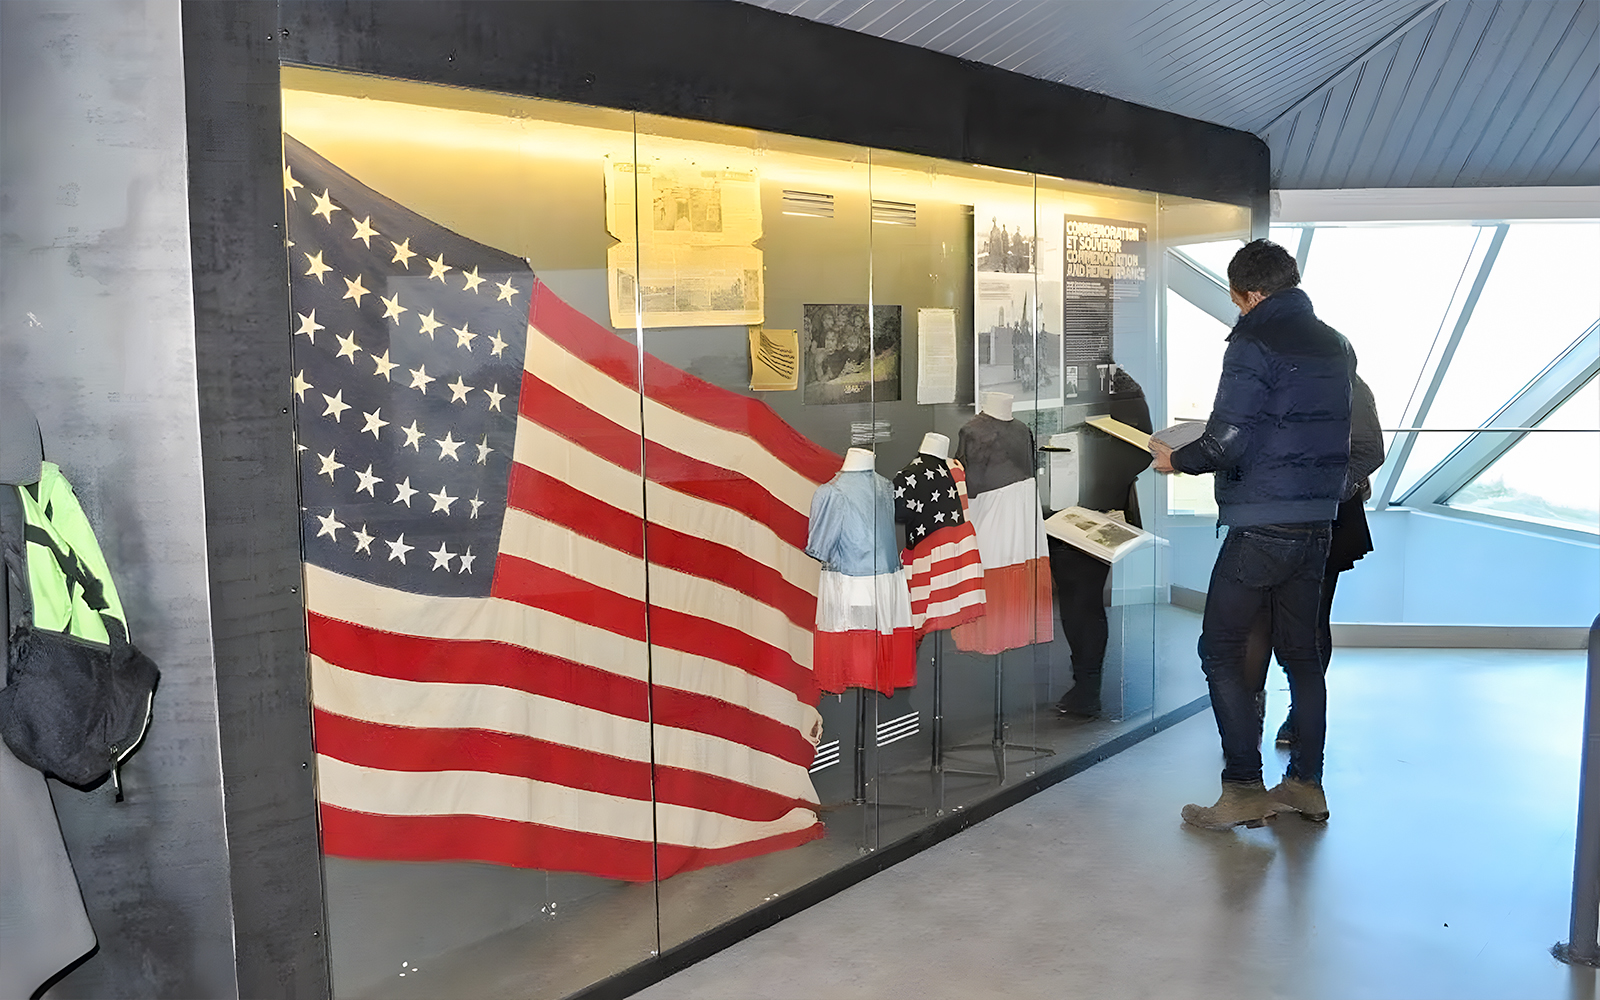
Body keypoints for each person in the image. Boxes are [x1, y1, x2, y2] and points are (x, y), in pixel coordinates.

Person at [1151, 239, 1352, 830]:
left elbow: (1226, 441)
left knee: (1219, 650)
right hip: (1318, 519)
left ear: (1252, 294)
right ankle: (1306, 787)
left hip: (1262, 522)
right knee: (1302, 656)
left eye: (1238, 299)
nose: (1238, 309)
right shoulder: (1335, 344)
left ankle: (1242, 788)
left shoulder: (1253, 341)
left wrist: (1174, 461)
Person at [1260, 369, 1384, 748]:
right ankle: (1252, 713)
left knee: (1311, 621)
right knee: (1260, 620)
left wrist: (1327, 489)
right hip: (1269, 509)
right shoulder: (1269, 376)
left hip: (1328, 513)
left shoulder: (1348, 381)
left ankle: (1301, 716)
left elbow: (1369, 450)